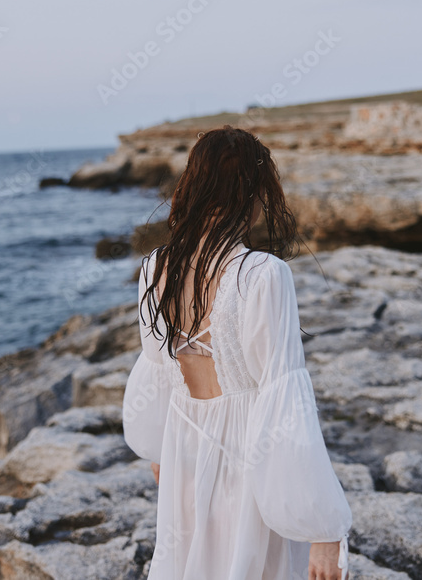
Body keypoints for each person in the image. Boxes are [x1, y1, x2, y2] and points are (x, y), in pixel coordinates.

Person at [122, 126, 352, 580]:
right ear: (253, 192)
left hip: (184, 448)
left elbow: (159, 372)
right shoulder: (263, 273)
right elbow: (284, 398)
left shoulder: (155, 267)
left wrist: (159, 451)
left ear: (191, 184)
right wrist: (323, 529)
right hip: (252, 452)